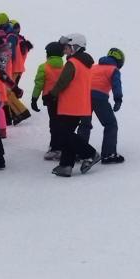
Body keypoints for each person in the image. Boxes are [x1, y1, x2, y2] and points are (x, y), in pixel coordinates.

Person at [48, 34, 98, 177]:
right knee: (67, 135)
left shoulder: (73, 63)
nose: (65, 50)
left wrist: (52, 94)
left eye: (67, 47)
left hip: (70, 105)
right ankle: (66, 165)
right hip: (80, 105)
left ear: (75, 47)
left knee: (63, 134)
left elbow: (63, 82)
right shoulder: (85, 63)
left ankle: (91, 154)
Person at [77, 47, 125, 164]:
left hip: (84, 97)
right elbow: (116, 85)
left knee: (84, 125)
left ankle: (79, 152)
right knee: (110, 124)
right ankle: (108, 154)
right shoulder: (113, 70)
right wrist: (118, 99)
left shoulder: (94, 67)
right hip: (99, 98)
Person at [31, 41, 65, 160]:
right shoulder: (65, 67)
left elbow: (39, 84)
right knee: (62, 123)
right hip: (64, 99)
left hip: (50, 99)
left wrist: (34, 99)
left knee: (54, 123)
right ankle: (60, 146)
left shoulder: (44, 67)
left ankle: (55, 148)